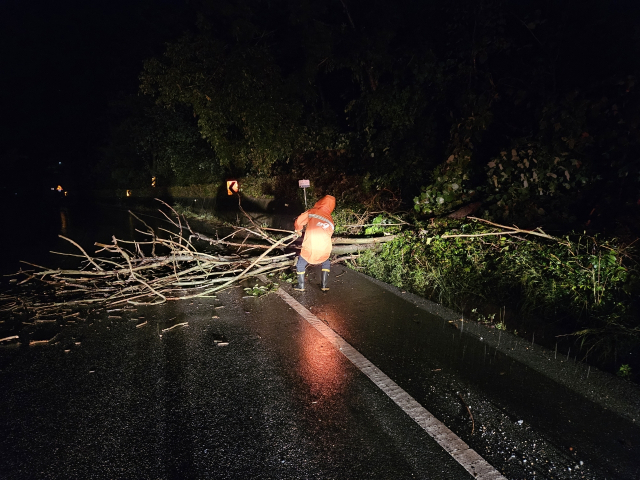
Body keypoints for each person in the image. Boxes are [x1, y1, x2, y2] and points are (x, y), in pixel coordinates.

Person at [293, 195, 336, 292]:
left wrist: (298, 230)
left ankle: (301, 286)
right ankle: (324, 285)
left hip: (311, 245)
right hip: (324, 247)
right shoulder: (330, 220)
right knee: (325, 262)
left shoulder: (312, 212)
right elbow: (330, 233)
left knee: (301, 263)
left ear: (320, 202)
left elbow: (299, 221)